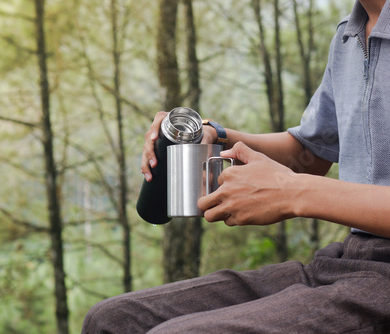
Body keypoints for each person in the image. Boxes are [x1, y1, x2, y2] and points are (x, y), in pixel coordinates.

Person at [82, 0, 390, 332]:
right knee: (113, 321)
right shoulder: (350, 34)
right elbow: (310, 154)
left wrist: (292, 192)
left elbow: (302, 182)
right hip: (347, 262)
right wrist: (216, 136)